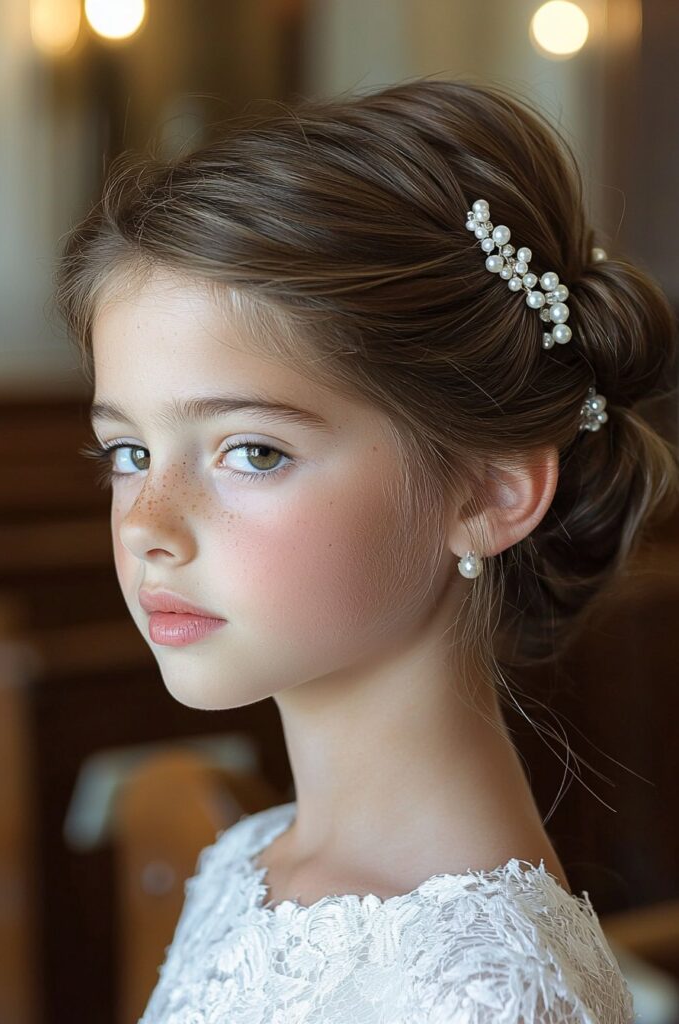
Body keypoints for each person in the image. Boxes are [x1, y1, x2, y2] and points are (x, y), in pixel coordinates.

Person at [54, 77, 678, 1022]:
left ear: (486, 492)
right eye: (130, 452)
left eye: (252, 452)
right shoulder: (252, 859)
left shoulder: (478, 999)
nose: (147, 522)